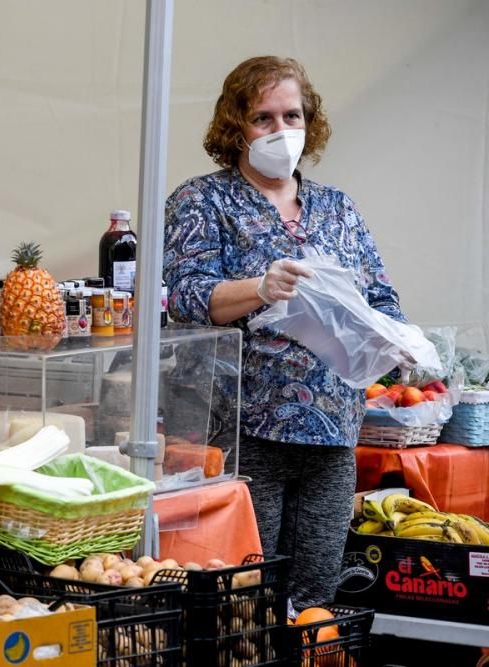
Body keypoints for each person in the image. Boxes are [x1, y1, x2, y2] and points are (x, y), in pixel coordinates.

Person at [163, 56, 405, 613]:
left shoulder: (337, 208)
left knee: (315, 594)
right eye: (263, 118)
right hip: (243, 432)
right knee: (246, 593)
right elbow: (184, 297)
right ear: (235, 127)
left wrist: (399, 344)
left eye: (292, 115)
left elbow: (381, 299)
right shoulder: (202, 201)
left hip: (332, 434)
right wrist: (259, 287)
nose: (281, 130)